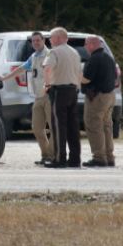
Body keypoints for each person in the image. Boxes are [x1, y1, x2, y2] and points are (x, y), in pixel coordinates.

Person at [0, 32, 53, 165]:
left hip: (50, 95)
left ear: (44, 41)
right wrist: (4, 78)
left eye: (38, 40)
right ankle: (46, 155)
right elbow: (21, 69)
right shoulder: (33, 56)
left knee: (54, 128)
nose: (36, 43)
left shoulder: (50, 55)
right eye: (33, 41)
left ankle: (52, 155)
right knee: (37, 128)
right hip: (38, 97)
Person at [42, 27, 82, 168]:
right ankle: (75, 159)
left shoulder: (54, 52)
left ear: (58, 38)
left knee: (59, 125)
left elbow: (47, 68)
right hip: (73, 90)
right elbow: (79, 73)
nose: (49, 41)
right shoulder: (75, 52)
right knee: (73, 126)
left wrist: (47, 85)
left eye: (51, 38)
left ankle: (60, 159)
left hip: (59, 90)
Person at [81, 35, 117, 167]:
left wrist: (75, 75)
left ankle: (99, 158)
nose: (85, 47)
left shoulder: (94, 58)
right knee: (106, 127)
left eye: (85, 44)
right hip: (110, 95)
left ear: (92, 44)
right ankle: (109, 157)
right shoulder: (109, 57)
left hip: (98, 97)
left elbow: (87, 79)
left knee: (93, 126)